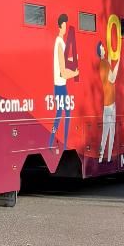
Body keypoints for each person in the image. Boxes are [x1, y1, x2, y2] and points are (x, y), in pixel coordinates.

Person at [49, 13, 79, 149]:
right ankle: (64, 144)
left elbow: (64, 61)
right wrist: (75, 73)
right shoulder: (59, 43)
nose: (66, 26)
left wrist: (73, 60)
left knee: (60, 113)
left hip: (60, 86)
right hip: (60, 86)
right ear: (61, 25)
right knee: (65, 113)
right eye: (65, 24)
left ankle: (52, 142)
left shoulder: (60, 42)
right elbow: (63, 71)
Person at [96, 41, 120, 162]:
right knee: (110, 132)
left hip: (108, 103)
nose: (104, 49)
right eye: (102, 48)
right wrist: (118, 63)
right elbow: (112, 78)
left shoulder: (103, 63)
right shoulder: (104, 63)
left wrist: (111, 57)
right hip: (110, 104)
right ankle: (108, 158)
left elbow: (108, 71)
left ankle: (102, 158)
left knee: (106, 134)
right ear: (100, 52)